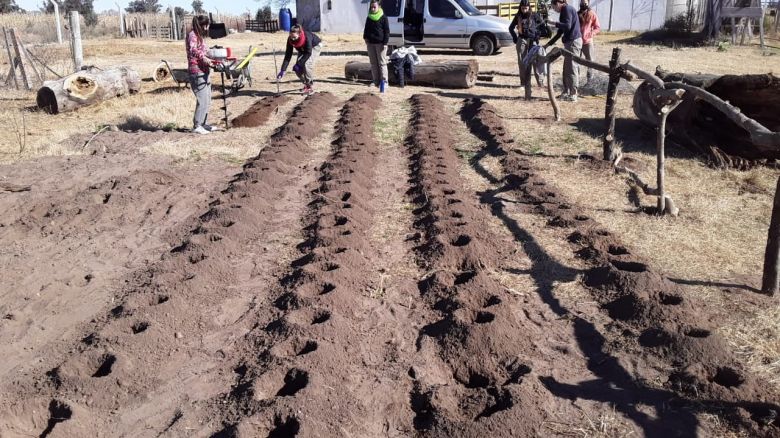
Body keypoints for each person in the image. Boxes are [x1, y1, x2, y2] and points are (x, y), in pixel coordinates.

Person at [186, 15, 222, 134]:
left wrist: (215, 55)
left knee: (207, 99)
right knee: (202, 100)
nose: (207, 28)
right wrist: (204, 58)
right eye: (206, 25)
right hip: (196, 72)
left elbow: (204, 51)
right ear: (201, 25)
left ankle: (203, 124)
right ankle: (197, 126)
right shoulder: (192, 35)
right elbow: (193, 50)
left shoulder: (200, 37)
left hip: (204, 71)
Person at [508, 0, 548, 99]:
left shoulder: (534, 15)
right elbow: (511, 28)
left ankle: (540, 83)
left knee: (536, 62)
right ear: (520, 8)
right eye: (522, 8)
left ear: (529, 7)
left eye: (526, 8)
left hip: (533, 40)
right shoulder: (518, 16)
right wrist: (515, 38)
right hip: (522, 40)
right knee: (522, 62)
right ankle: (523, 83)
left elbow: (543, 26)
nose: (524, 10)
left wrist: (538, 35)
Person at [545, 0, 583, 102]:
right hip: (569, 42)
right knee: (566, 68)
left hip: (574, 42)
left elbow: (567, 26)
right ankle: (566, 91)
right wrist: (547, 44)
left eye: (553, 7)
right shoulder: (564, 11)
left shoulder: (567, 9)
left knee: (572, 68)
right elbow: (560, 32)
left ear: (557, 3)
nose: (554, 9)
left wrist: (554, 23)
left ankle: (573, 94)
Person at [277, 25, 323, 96]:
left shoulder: (307, 37)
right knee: (297, 69)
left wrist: (299, 64)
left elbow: (308, 53)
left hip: (314, 46)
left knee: (306, 64)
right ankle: (306, 84)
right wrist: (283, 70)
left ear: (299, 34)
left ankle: (310, 86)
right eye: (291, 37)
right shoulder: (290, 40)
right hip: (303, 49)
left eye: (294, 37)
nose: (293, 39)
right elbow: (288, 55)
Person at [363, 0, 390, 91]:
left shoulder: (383, 17)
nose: (373, 9)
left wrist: (385, 43)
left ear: (379, 7)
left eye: (374, 7)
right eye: (372, 7)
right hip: (370, 43)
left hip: (380, 44)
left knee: (382, 63)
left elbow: (387, 31)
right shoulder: (369, 17)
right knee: (373, 63)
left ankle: (384, 81)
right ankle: (375, 81)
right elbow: (366, 29)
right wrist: (365, 38)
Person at [578, 0, 600, 81]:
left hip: (587, 42)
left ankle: (589, 81)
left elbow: (597, 28)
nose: (583, 4)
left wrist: (590, 34)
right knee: (576, 61)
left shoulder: (592, 14)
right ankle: (576, 80)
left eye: (585, 3)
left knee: (590, 62)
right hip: (577, 41)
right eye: (582, 2)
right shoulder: (577, 14)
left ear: (588, 3)